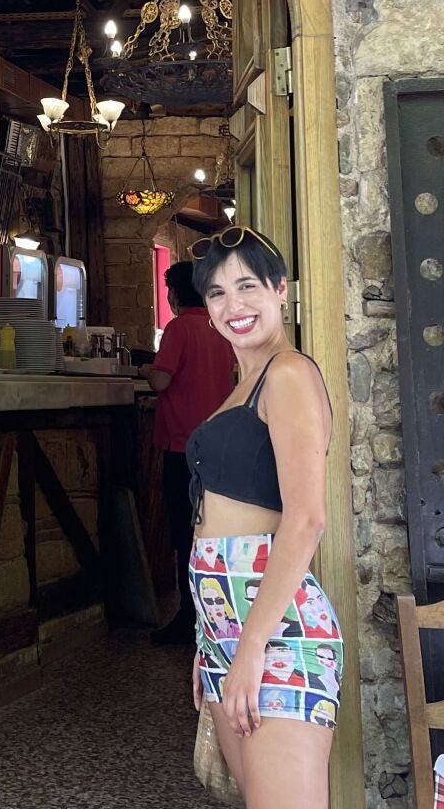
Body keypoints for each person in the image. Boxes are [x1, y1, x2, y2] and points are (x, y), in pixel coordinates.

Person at [183, 225, 340, 809]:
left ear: (280, 290)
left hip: (276, 635)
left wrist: (249, 650)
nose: (233, 306)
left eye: (247, 286)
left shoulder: (288, 373)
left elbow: (305, 520)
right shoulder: (242, 383)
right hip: (227, 633)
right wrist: (209, 641)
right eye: (218, 294)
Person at [143, 258, 236, 644]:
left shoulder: (179, 328)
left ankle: (190, 617)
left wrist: (145, 370)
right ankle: (218, 618)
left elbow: (162, 380)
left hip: (183, 446)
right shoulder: (221, 329)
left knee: (184, 533)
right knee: (213, 533)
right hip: (218, 445)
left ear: (176, 293)